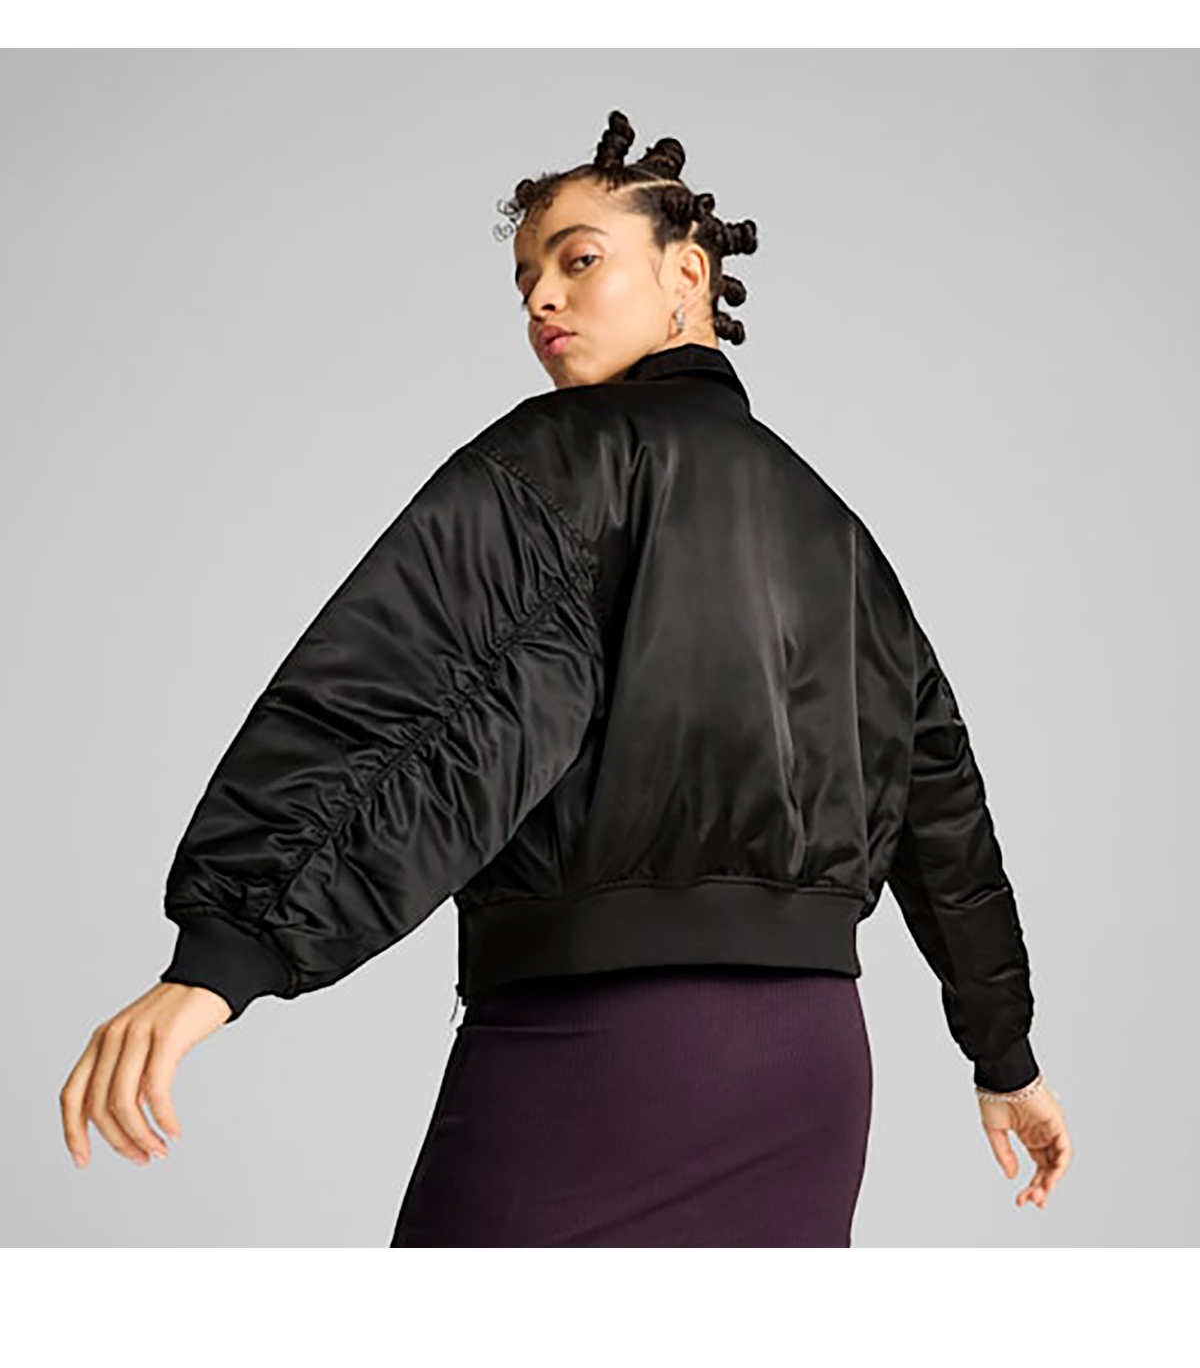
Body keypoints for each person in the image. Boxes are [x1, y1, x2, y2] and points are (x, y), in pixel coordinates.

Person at [59, 107, 1073, 1244]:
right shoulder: (840, 536)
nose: (542, 298)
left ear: (686, 274)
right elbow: (945, 823)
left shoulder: (558, 463)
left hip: (602, 1044)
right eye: (525, 280)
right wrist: (1006, 1056)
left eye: (578, 260)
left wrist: (225, 952)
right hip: (813, 1070)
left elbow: (405, 702)